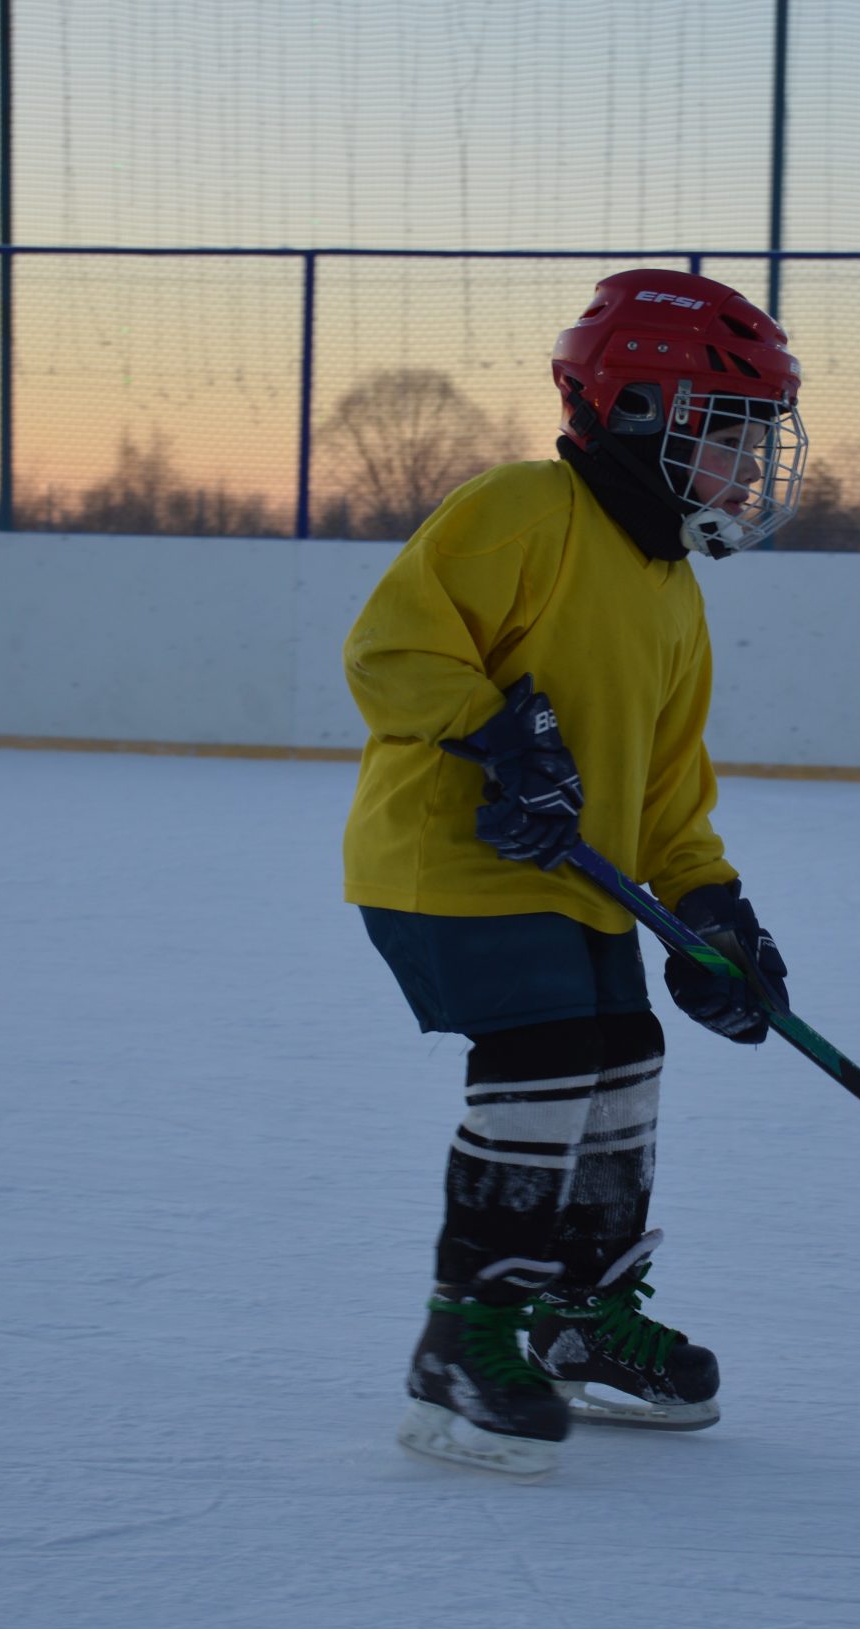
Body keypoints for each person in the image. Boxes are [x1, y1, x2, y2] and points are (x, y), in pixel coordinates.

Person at [340, 269, 808, 1477]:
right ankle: (468, 1332)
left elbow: (666, 791)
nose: (752, 469)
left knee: (623, 1057)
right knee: (548, 1054)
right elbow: (392, 645)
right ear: (646, 411)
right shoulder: (520, 510)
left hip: (573, 878)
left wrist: (711, 908)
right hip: (448, 861)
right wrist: (497, 731)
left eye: (757, 441)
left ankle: (575, 1319)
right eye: (733, 436)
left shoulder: (672, 590)